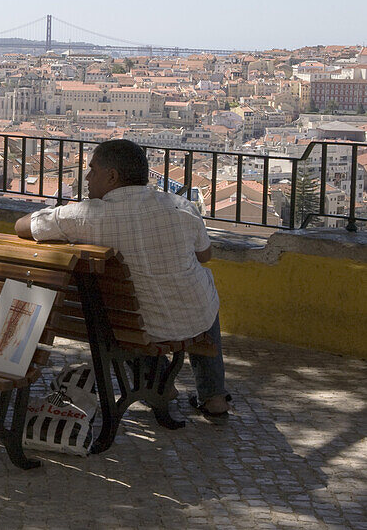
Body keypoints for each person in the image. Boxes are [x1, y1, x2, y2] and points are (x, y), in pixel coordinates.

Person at [14, 139, 231, 420]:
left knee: (128, 319)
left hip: (134, 326)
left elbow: (22, 226)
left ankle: (159, 387)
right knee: (202, 297)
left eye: (93, 170)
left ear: (112, 176)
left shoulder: (86, 216)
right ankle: (214, 398)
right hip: (195, 317)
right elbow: (205, 256)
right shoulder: (181, 206)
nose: (88, 178)